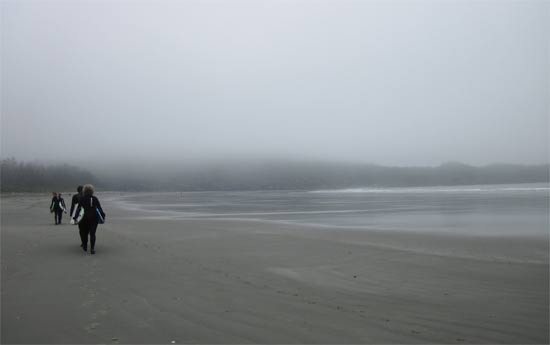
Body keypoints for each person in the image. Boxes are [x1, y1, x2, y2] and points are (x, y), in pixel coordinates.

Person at [74, 184, 106, 255]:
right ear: (92, 191)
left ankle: (85, 246)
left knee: (84, 233)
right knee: (92, 233)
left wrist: (75, 218)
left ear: (84, 191)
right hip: (94, 218)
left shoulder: (82, 198)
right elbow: (99, 209)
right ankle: (92, 249)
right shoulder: (95, 198)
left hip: (84, 218)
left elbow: (78, 209)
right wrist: (103, 216)